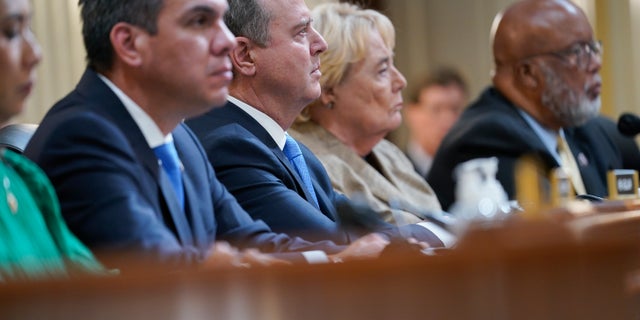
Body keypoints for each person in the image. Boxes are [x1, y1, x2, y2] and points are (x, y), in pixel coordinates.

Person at [24, 0, 389, 270]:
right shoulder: (82, 136)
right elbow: (165, 271)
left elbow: (257, 242)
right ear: (130, 44)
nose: (226, 42)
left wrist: (335, 261)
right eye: (200, 22)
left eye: (222, 20)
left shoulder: (181, 138)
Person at [186, 0, 444, 247]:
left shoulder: (296, 152)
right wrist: (444, 233)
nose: (321, 44)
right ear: (245, 56)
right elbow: (333, 243)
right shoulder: (229, 147)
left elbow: (370, 231)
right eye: (301, 32)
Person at [427, 0, 622, 211]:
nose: (596, 63)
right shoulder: (485, 139)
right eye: (577, 52)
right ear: (528, 73)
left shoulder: (591, 132)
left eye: (593, 48)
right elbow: (552, 231)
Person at [288, 3, 454, 246]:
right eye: (383, 70)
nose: (401, 81)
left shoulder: (389, 153)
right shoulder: (307, 163)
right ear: (329, 89)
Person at [0, 0, 104, 280]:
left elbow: (98, 287)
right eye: (11, 32)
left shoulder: (24, 178)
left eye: (29, 29)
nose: (35, 53)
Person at [404, 67, 468, 177]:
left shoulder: (474, 173)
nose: (448, 120)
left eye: (455, 109)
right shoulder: (393, 172)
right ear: (412, 113)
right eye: (436, 109)